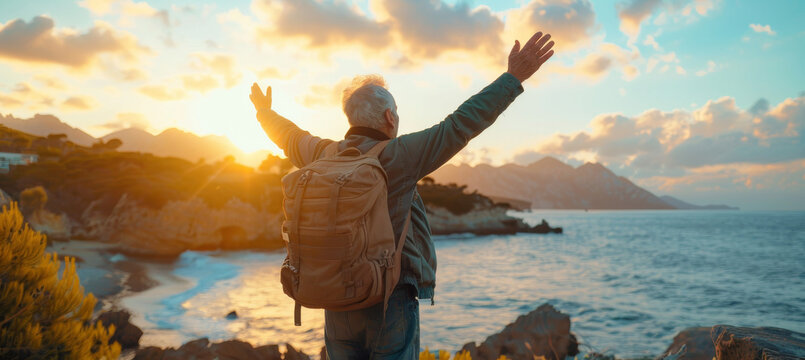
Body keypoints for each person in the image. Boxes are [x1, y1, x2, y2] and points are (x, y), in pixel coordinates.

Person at [249, 30, 555, 360]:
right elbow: (461, 124)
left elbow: (289, 137)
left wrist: (264, 113)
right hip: (389, 299)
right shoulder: (399, 155)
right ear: (389, 117)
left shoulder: (324, 154)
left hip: (336, 295)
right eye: (396, 112)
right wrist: (513, 78)